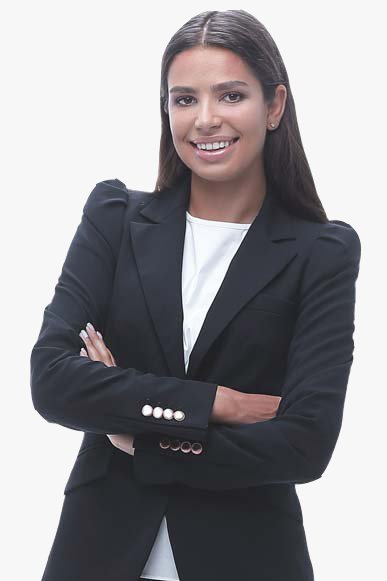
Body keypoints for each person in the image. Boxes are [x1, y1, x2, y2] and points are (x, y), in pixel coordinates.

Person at [30, 9, 361, 581]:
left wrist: (137, 435)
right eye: (184, 99)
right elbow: (53, 379)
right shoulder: (114, 218)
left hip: (251, 556)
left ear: (274, 105)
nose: (205, 120)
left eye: (230, 95)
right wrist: (214, 404)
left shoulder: (321, 252)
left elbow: (306, 443)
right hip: (98, 553)